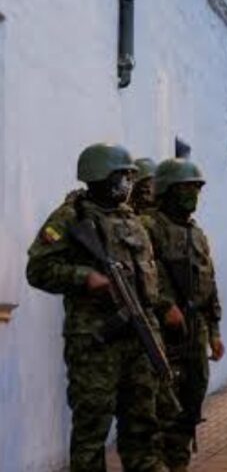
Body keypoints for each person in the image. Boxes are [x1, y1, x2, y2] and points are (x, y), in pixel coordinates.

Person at [26, 143, 167, 472]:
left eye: (130, 176)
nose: (128, 183)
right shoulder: (70, 217)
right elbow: (38, 270)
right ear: (99, 176)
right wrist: (84, 277)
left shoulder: (132, 221)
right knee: (92, 431)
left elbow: (148, 283)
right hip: (95, 343)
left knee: (143, 428)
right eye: (122, 176)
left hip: (138, 339)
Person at [143, 159, 223, 472]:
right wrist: (164, 306)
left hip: (195, 329)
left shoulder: (196, 233)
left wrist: (214, 331)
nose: (193, 195)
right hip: (162, 331)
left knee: (191, 404)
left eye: (196, 188)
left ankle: (178, 464)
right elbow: (141, 276)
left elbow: (209, 282)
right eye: (185, 188)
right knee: (162, 406)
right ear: (167, 190)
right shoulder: (149, 227)